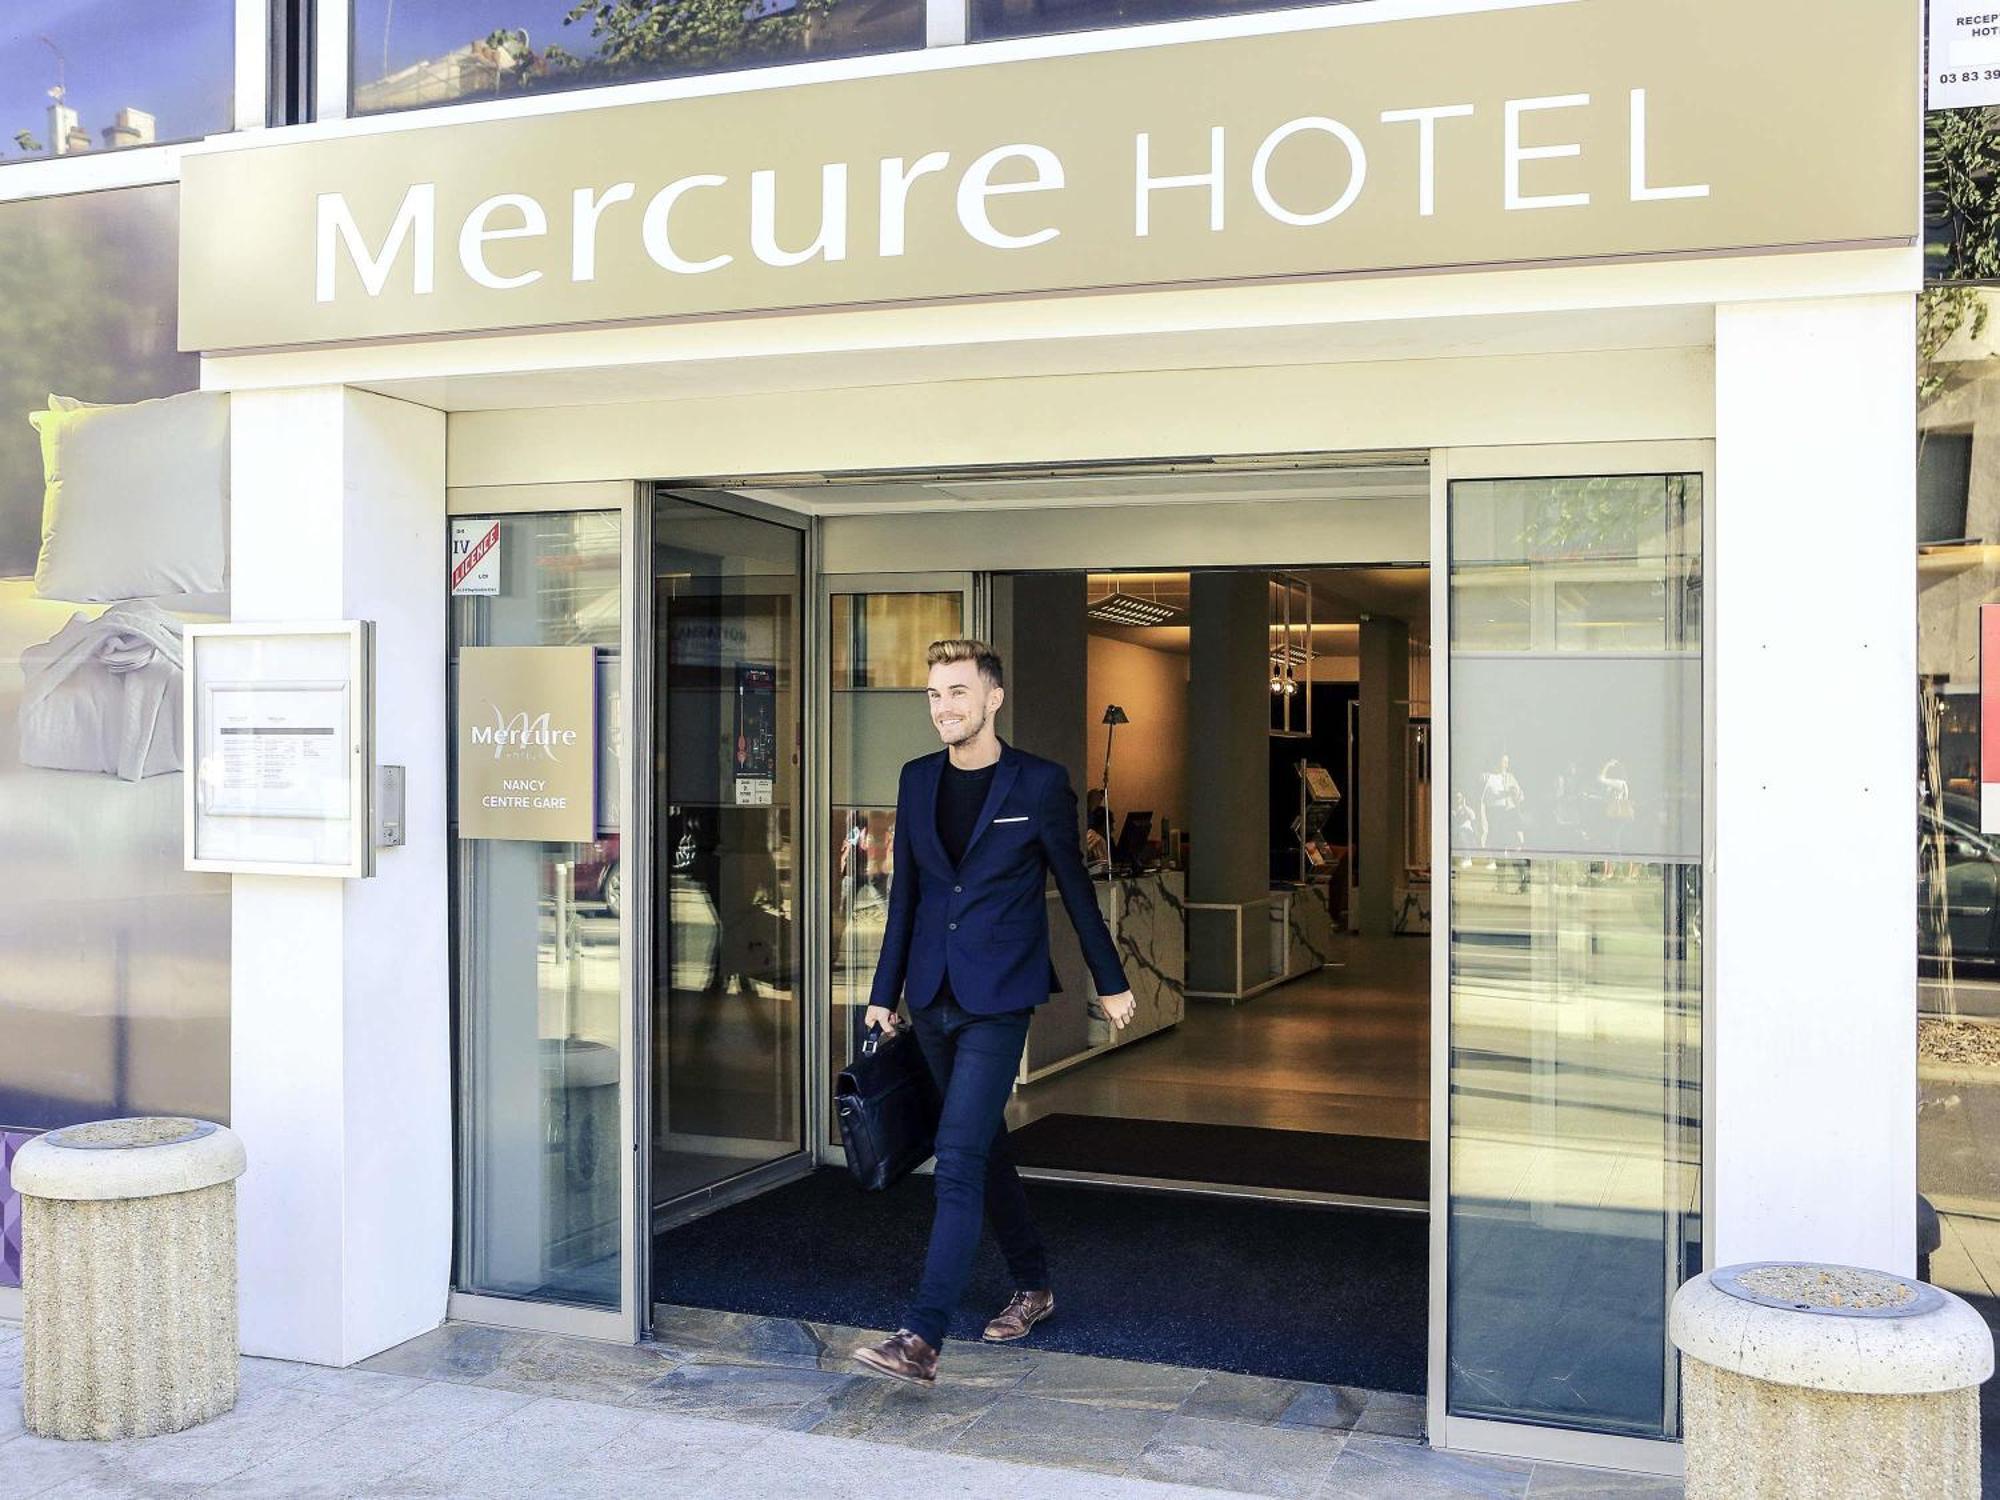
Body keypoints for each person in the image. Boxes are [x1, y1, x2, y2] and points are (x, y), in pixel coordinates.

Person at [851, 639, 1137, 1388]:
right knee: (983, 1145)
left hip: (999, 998)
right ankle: (1033, 1285)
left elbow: (1075, 888)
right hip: (930, 996)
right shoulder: (917, 780)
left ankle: (921, 1338)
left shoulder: (1037, 783)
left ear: (993, 699)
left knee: (957, 1157)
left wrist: (1110, 981)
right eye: (934, 694)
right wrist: (883, 993)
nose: (944, 707)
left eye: (957, 692)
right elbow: (907, 896)